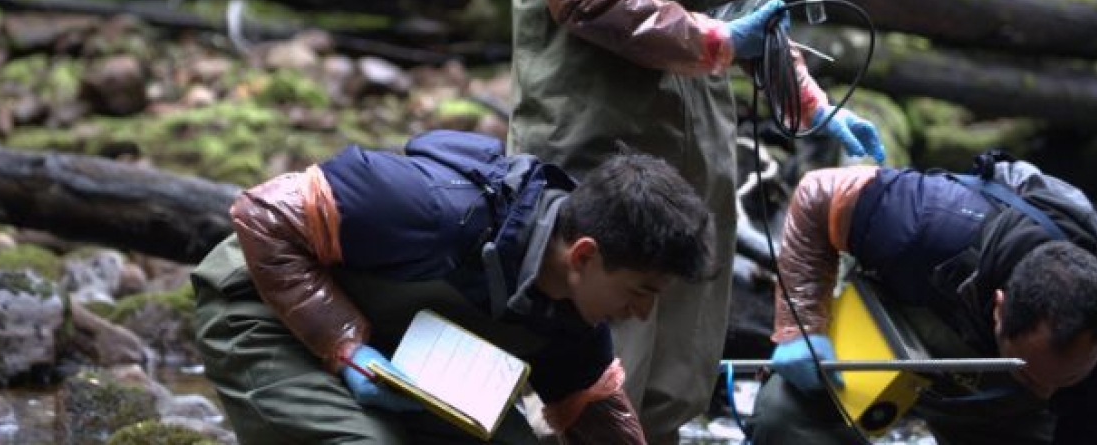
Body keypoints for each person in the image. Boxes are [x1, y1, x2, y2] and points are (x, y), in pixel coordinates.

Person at [509, 0, 885, 441]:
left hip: (695, 145)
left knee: (682, 340)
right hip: (589, 135)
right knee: (584, 344)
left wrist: (806, 103)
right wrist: (713, 39)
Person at [190, 129, 716, 445]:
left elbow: (595, 415)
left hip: (401, 359)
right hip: (262, 311)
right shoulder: (431, 207)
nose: (643, 314)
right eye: (641, 291)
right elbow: (261, 213)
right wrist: (346, 347)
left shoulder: (573, 317)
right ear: (584, 256)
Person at [749, 163, 1097, 445]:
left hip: (995, 414)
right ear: (999, 309)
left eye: (1066, 381)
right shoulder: (926, 223)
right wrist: (800, 326)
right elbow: (817, 193)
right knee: (783, 421)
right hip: (889, 334)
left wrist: (1048, 383)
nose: (1045, 393)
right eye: (1030, 375)